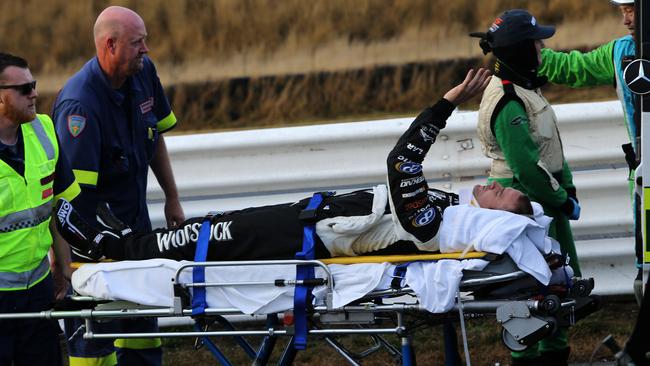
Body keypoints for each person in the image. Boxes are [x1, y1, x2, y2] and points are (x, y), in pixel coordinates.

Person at [54, 69, 542, 264]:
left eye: (502, 194)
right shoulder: (450, 212)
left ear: (493, 217)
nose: (494, 185)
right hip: (311, 219)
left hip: (309, 234)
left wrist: (445, 103)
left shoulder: (439, 221)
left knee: (210, 237)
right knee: (213, 229)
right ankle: (120, 245)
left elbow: (402, 162)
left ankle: (112, 249)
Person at [52, 6, 185, 366]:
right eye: (137, 42)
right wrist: (82, 256)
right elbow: (74, 202)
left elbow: (154, 135)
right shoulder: (80, 105)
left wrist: (172, 198)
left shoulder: (143, 73)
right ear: (110, 45)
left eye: (145, 41)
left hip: (135, 232)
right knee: (96, 346)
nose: (146, 49)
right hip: (93, 248)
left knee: (142, 337)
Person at [472, 9, 580, 366]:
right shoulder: (508, 100)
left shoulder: (522, 87)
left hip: (544, 199)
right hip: (523, 203)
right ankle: (533, 358)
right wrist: (562, 199)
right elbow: (527, 168)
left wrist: (566, 187)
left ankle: (553, 353)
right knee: (531, 289)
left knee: (559, 284)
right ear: (520, 49)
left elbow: (547, 148)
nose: (541, 47)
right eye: (536, 42)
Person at [0, 53, 80, 366]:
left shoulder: (44, 131)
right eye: (25, 88)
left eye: (34, 85)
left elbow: (58, 209)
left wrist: (63, 268)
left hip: (38, 288)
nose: (34, 93)